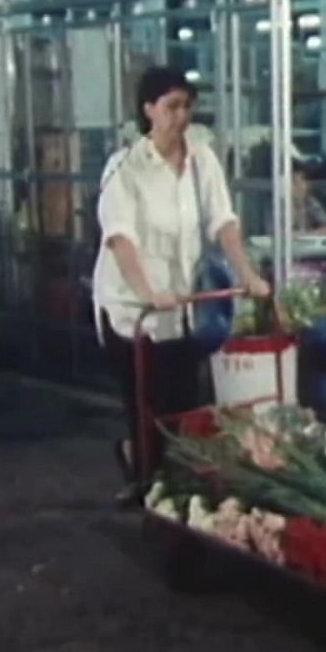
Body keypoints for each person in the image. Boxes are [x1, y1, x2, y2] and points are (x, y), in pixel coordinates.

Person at [93, 66, 272, 502]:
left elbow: (223, 222)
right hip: (131, 307)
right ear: (148, 109)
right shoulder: (125, 169)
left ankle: (166, 477)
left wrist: (247, 274)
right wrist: (146, 292)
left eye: (187, 106)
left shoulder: (201, 160)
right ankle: (146, 480)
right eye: (171, 106)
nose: (181, 116)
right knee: (143, 400)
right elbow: (120, 238)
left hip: (182, 304)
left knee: (181, 400)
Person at [292, 158, 326, 238]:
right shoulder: (276, 205)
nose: (301, 186)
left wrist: (305, 236)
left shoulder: (309, 201)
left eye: (303, 180)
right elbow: (278, 236)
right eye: (294, 182)